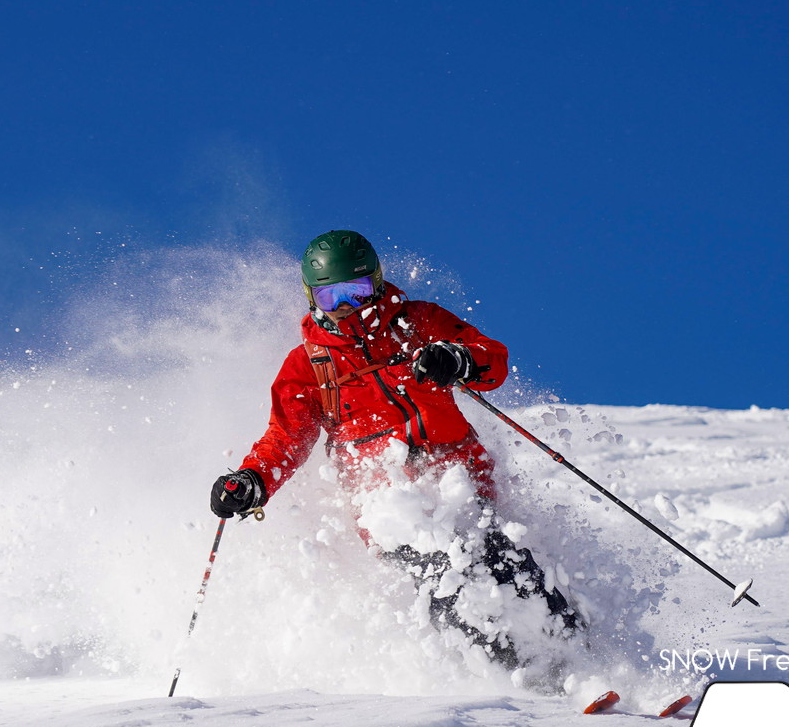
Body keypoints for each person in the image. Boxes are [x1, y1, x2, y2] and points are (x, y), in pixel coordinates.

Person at [210, 230, 578, 671]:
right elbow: (286, 437)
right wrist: (253, 480)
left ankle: (580, 657)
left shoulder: (419, 323)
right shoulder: (307, 365)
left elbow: (490, 359)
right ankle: (514, 673)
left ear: (378, 283)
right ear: (312, 299)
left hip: (458, 479)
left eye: (357, 291)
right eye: (333, 297)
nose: (348, 307)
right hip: (385, 504)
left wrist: (455, 359)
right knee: (442, 578)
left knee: (503, 560)